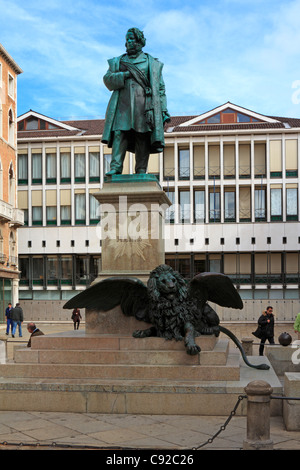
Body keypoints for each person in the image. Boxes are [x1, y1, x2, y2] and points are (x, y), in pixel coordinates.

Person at [102, 27, 170, 175]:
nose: (128, 42)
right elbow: (107, 80)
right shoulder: (118, 61)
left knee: (142, 135)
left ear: (140, 42)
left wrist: (163, 110)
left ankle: (141, 169)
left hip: (144, 105)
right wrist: (125, 75)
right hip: (122, 105)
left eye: (132, 39)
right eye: (127, 39)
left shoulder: (151, 63)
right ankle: (115, 167)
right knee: (120, 133)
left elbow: (160, 89)